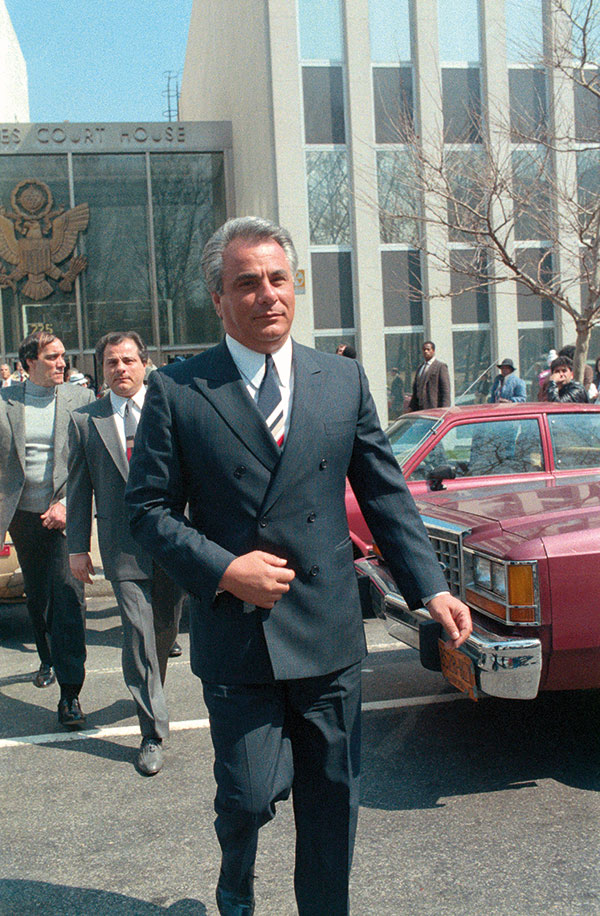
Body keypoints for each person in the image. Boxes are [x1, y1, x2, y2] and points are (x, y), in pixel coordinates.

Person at [125, 216, 472, 916]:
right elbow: (147, 512)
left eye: (279, 279)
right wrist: (225, 569)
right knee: (249, 798)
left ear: (295, 287)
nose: (267, 295)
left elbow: (383, 493)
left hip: (328, 634)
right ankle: (236, 876)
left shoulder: (340, 379)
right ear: (218, 298)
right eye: (246, 283)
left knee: (331, 801)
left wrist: (430, 588)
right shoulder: (179, 389)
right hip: (238, 637)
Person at [67, 331, 183, 775]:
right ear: (102, 369)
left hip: (173, 541)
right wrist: (78, 548)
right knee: (137, 635)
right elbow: (79, 490)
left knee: (163, 633)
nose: (121, 368)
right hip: (122, 547)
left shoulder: (169, 407)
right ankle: (151, 732)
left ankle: (153, 689)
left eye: (128, 360)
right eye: (112, 362)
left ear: (144, 363)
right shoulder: (86, 420)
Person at [0, 331, 94, 727]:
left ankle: (70, 695)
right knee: (37, 597)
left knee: (69, 598)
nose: (62, 363)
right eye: (52, 357)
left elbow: (93, 463)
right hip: (22, 516)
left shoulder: (83, 401)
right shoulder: (5, 404)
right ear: (27, 366)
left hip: (63, 517)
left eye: (64, 356)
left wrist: (69, 505)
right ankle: (46, 657)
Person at [408, 340, 451, 411]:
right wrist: (411, 407)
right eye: (424, 350)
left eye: (428, 349)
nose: (426, 351)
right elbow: (416, 389)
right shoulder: (420, 367)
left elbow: (445, 390)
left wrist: (444, 409)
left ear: (433, 351)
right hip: (419, 408)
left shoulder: (440, 366)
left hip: (433, 407)